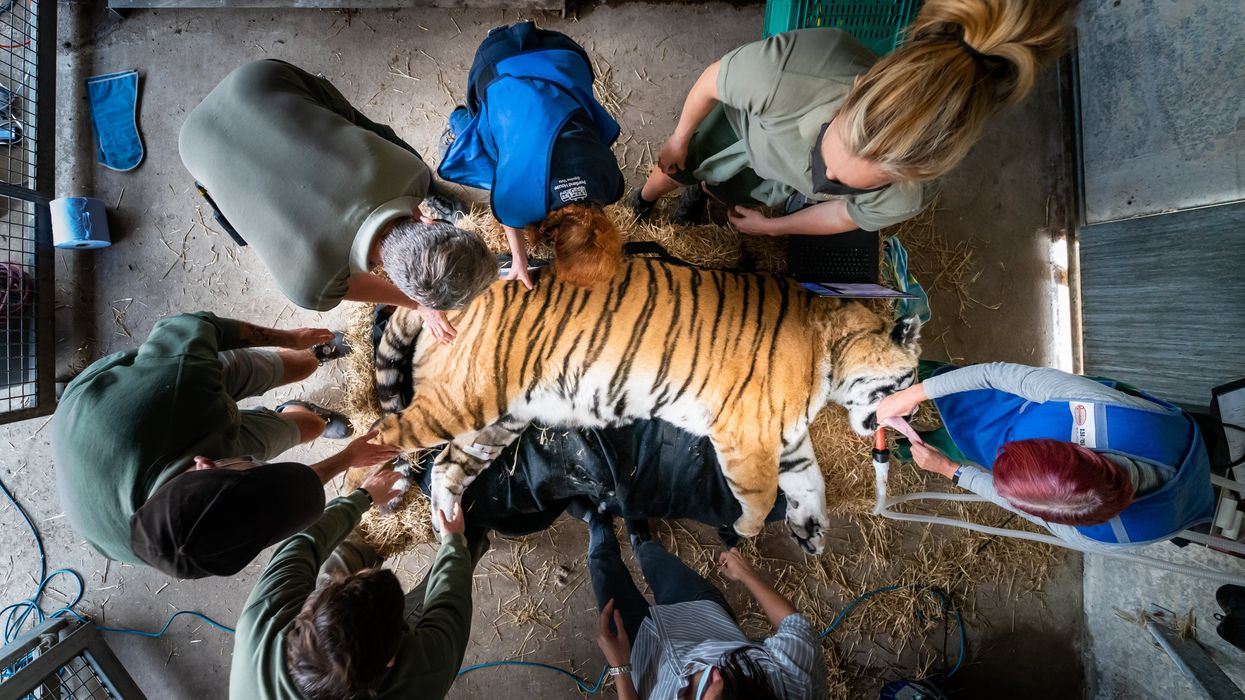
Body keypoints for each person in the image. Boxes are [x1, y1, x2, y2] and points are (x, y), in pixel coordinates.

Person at [630, 0, 1078, 235]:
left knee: (736, 192)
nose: (826, 179)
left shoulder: (906, 195)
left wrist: (775, 227)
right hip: (742, 129)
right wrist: (680, 137)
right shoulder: (790, 72)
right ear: (856, 89)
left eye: (840, 183)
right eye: (829, 157)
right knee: (677, 167)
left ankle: (701, 197)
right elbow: (713, 80)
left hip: (779, 172)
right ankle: (641, 204)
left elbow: (845, 216)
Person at [51, 311, 401, 578]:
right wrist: (347, 459)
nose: (254, 461)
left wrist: (288, 337)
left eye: (254, 467)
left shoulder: (181, 381)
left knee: (293, 368)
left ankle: (311, 356)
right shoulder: (199, 546)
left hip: (149, 402)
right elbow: (270, 499)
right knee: (302, 428)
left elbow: (198, 326)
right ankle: (302, 415)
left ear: (207, 463)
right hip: (180, 447)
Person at [180, 59, 498, 343]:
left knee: (374, 138)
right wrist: (417, 303)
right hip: (225, 112)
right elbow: (349, 287)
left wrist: (419, 302)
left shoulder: (408, 173)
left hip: (250, 86)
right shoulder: (309, 286)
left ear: (427, 220)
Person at [875, 361, 1216, 550]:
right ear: (1074, 449)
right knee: (945, 383)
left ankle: (942, 441)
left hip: (1178, 491)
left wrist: (951, 469)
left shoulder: (1086, 534)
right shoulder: (1090, 406)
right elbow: (991, 374)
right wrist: (917, 392)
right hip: (1175, 444)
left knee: (961, 443)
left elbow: (1008, 499)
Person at [230, 479, 487, 700]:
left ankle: (368, 535)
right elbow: (450, 608)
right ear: (390, 661)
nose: (360, 573)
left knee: (339, 557)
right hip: (389, 657)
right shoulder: (422, 678)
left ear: (306, 611)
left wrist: (362, 497)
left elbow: (305, 544)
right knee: (446, 575)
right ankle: (474, 529)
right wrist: (453, 541)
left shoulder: (263, 621)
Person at [438, 21, 625, 289]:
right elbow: (507, 213)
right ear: (557, 243)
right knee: (479, 144)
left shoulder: (609, 186)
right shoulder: (523, 202)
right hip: (496, 65)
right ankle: (458, 122)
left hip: (563, 54)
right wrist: (518, 259)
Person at [585, 512, 825, 699]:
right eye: (734, 681)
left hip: (639, 656)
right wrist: (746, 575)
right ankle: (641, 539)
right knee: (654, 558)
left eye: (708, 691)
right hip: (701, 615)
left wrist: (620, 669)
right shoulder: (795, 682)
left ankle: (598, 525)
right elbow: (795, 626)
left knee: (603, 569)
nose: (715, 671)